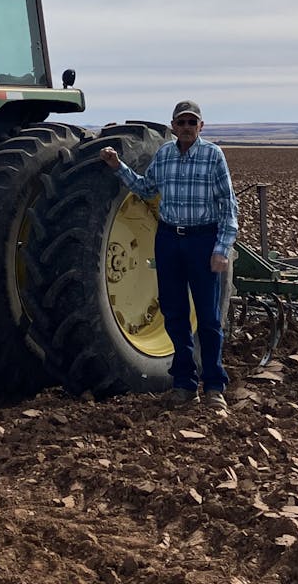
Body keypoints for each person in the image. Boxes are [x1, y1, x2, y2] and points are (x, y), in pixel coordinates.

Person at [99, 101, 239, 412]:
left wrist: (221, 249)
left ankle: (215, 386)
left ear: (201, 126)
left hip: (203, 240)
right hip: (168, 240)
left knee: (208, 318)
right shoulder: (164, 155)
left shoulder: (213, 155)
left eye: (193, 122)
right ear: (173, 126)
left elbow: (229, 207)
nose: (187, 127)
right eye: (182, 122)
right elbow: (146, 189)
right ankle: (185, 384)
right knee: (174, 316)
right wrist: (118, 166)